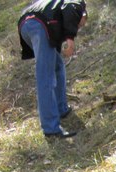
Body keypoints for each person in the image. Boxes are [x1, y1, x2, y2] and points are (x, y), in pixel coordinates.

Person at [18, 0, 87, 138]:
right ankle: (51, 128)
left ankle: (61, 108)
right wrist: (70, 39)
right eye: (80, 24)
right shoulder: (77, 4)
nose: (79, 27)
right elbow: (70, 8)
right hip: (39, 25)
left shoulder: (53, 7)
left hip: (26, 24)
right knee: (46, 77)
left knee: (57, 65)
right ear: (83, 15)